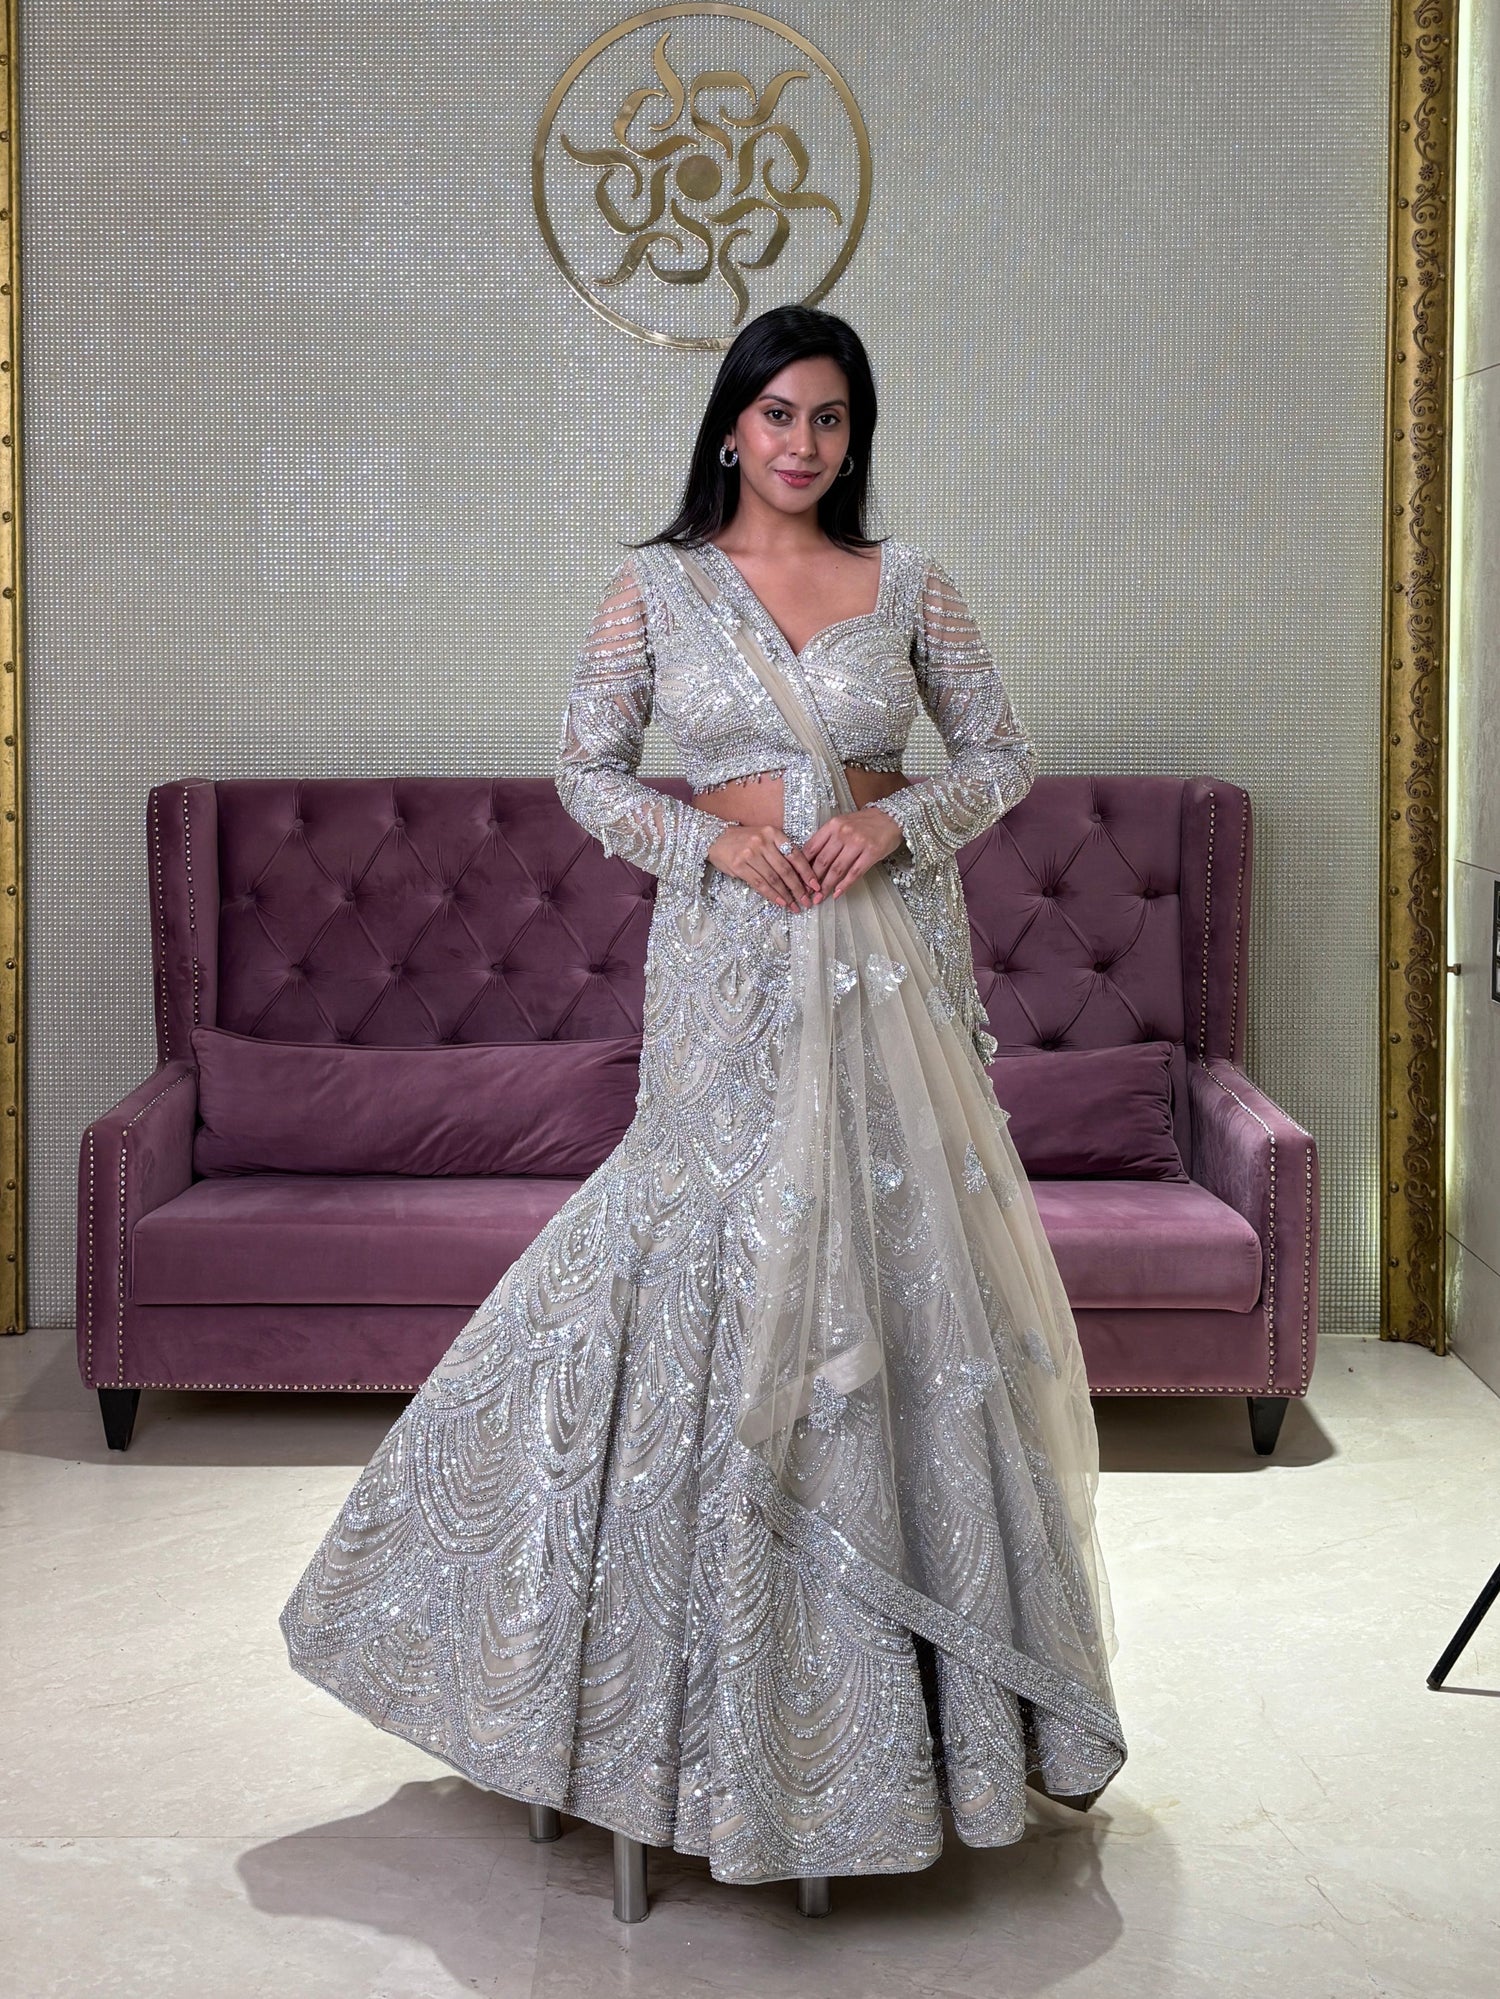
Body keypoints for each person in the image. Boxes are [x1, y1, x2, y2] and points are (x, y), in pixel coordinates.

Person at [279, 304, 1126, 1898]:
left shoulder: (913, 583)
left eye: (832, 422)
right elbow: (585, 766)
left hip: (885, 967)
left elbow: (1002, 755)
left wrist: (894, 829)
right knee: (706, 1267)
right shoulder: (654, 586)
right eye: (779, 415)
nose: (803, 447)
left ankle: (923, 1718)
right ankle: (635, 1715)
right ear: (729, 425)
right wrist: (712, 844)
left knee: (894, 1275)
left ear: (852, 439)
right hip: (734, 962)